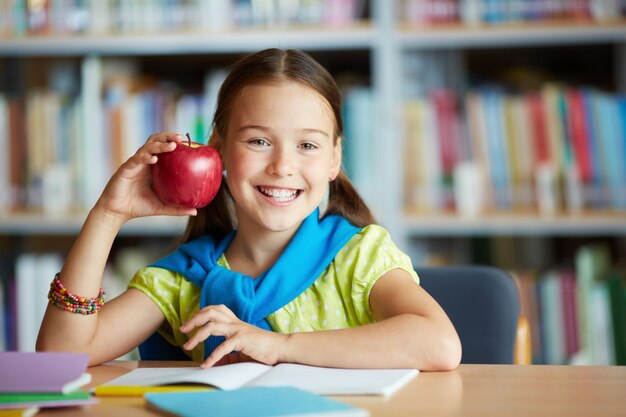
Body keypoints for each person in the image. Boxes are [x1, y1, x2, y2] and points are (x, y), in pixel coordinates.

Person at [37, 48, 461, 371]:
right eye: (258, 141)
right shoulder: (181, 279)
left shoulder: (360, 257)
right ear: (217, 150)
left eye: (308, 146)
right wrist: (109, 213)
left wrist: (279, 346)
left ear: (334, 160)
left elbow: (439, 345)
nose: (282, 166)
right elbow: (61, 357)